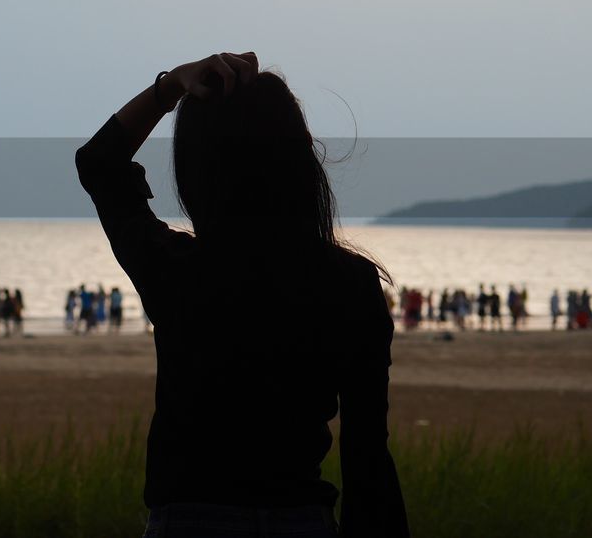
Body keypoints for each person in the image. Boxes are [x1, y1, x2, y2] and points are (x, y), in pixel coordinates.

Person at [76, 53, 407, 538]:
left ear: (196, 168)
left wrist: (169, 87)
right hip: (302, 522)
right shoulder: (351, 284)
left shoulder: (178, 271)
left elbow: (99, 162)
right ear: (300, 159)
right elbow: (368, 462)